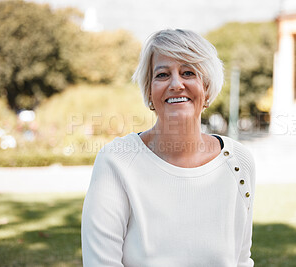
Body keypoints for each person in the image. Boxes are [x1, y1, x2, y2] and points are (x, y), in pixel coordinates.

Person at [81, 29, 256, 267]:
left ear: (206, 88)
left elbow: (241, 261)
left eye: (188, 72)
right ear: (150, 92)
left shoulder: (238, 162)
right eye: (162, 75)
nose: (176, 84)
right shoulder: (116, 161)